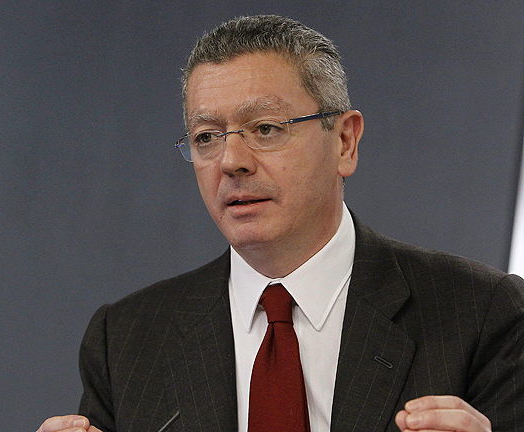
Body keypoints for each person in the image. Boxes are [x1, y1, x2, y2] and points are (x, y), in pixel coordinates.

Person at [37, 15, 524, 432]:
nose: (231, 160)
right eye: (206, 136)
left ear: (345, 142)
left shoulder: (482, 315)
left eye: (265, 129)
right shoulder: (125, 341)